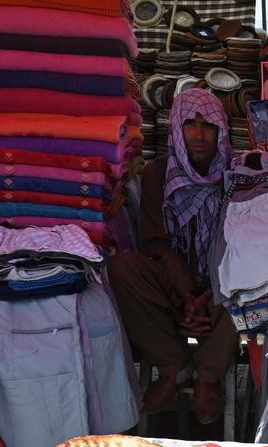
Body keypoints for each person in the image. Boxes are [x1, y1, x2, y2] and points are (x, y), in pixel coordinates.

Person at [108, 89, 239, 424]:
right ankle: (173, 366)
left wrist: (208, 293)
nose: (198, 134)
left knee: (255, 290)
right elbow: (156, 244)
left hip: (221, 286)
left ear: (220, 131)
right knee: (121, 269)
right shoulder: (157, 173)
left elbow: (239, 244)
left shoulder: (236, 175)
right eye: (190, 124)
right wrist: (187, 296)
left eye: (208, 126)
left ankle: (207, 376)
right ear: (177, 129)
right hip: (174, 283)